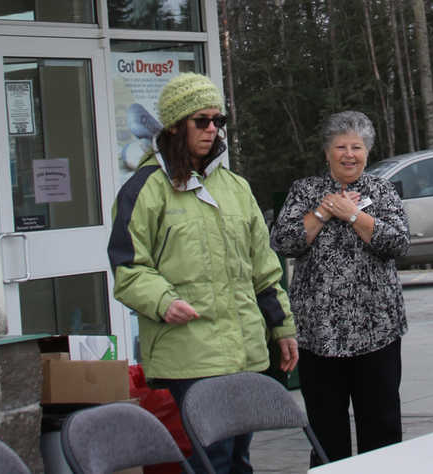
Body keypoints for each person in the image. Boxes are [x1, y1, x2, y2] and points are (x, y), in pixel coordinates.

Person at [107, 72, 298, 474]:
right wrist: (163, 301)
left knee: (239, 458)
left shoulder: (234, 187)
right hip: (189, 354)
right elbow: (128, 267)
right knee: (211, 460)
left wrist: (282, 329)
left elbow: (264, 271)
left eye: (219, 121)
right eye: (202, 120)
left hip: (243, 349)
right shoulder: (145, 188)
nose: (213, 130)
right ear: (175, 125)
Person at [270, 111, 410, 467]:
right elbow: (283, 242)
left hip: (377, 330)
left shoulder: (382, 190)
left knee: (381, 426)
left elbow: (398, 244)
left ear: (367, 152)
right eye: (341, 147)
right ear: (327, 152)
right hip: (320, 334)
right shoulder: (305, 191)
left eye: (357, 147)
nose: (350, 154)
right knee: (326, 429)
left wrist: (352, 214)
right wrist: (320, 214)